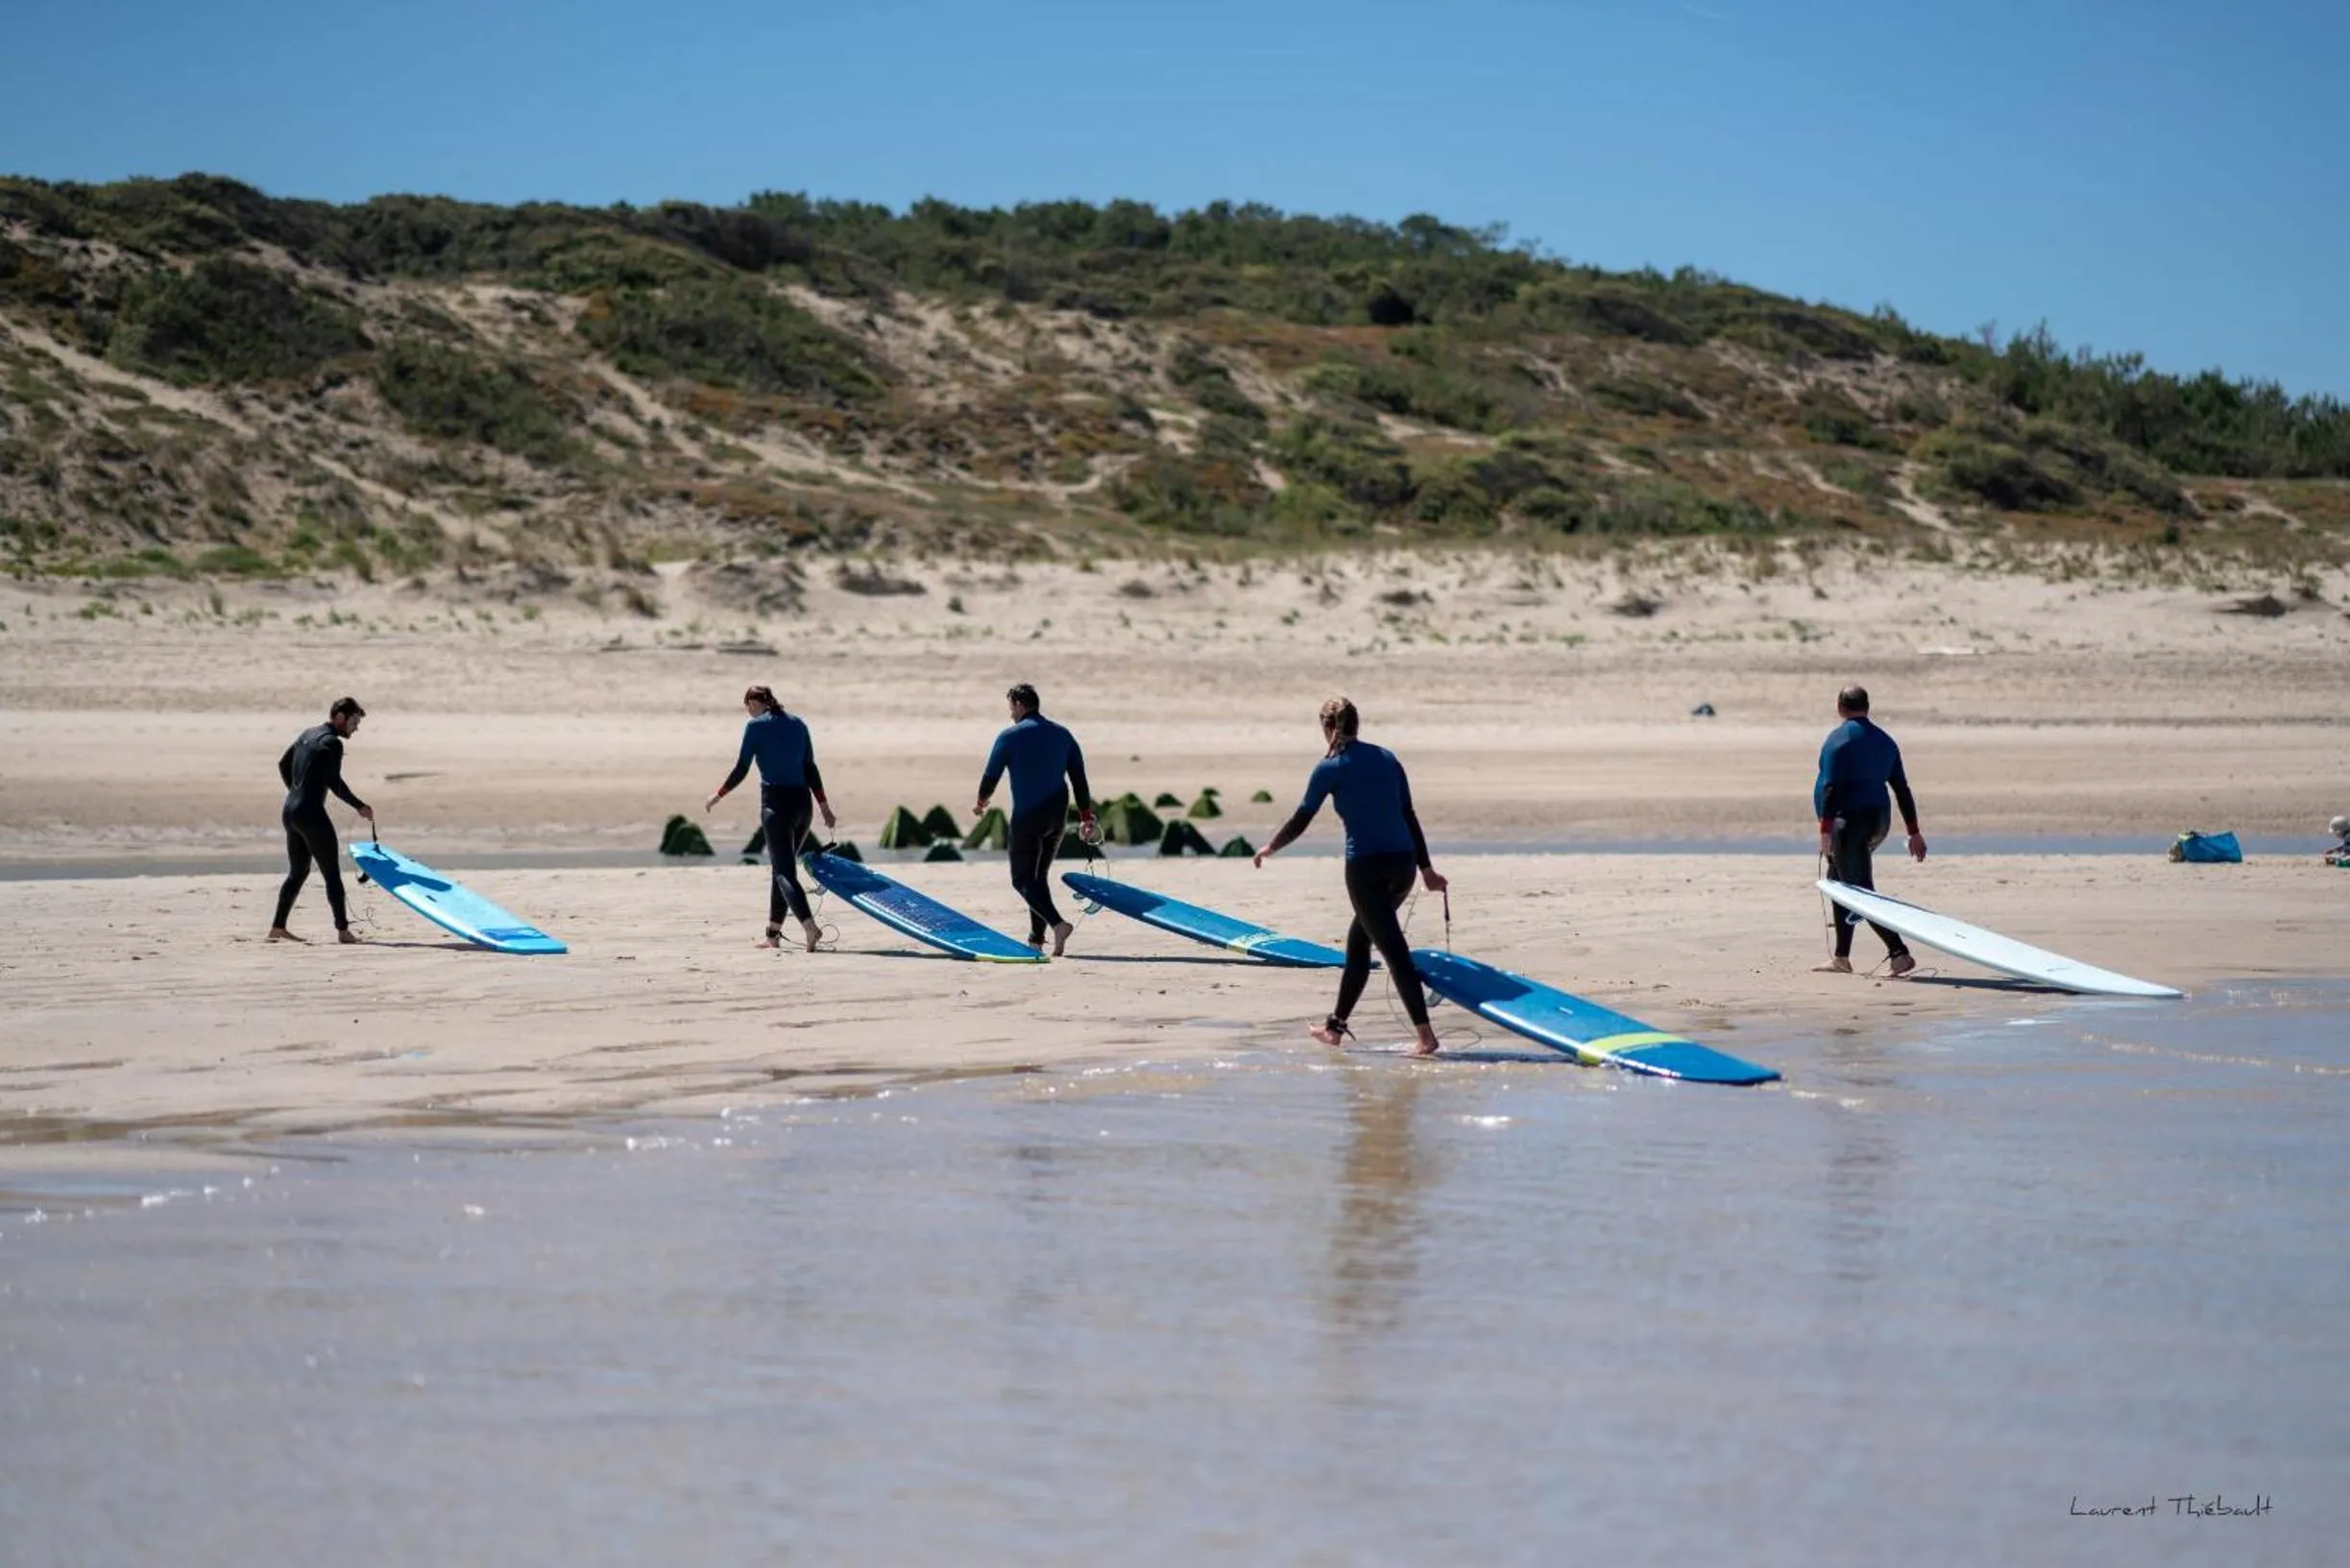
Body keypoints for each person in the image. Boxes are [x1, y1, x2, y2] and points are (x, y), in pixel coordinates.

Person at [1254, 697, 1448, 1056]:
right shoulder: (1387, 758)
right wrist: (1427, 870)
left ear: (1327, 728)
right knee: (1359, 942)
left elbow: (1302, 818)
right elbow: (1408, 815)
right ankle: (1334, 1028)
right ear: (1357, 724)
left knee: (1394, 951)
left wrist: (1271, 846)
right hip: (1403, 866)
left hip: (1366, 870)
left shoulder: (1329, 768)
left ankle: (1426, 1037)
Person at [706, 686, 838, 952]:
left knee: (784, 873)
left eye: (747, 706)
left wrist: (719, 794)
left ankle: (809, 927)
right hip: (803, 806)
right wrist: (824, 807)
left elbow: (741, 767)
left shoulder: (755, 727)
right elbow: (810, 768)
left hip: (776, 806)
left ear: (753, 703)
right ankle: (772, 935)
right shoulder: (798, 724)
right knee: (782, 868)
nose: (748, 711)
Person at [975, 684, 1098, 956]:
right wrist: (1086, 817)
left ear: (1019, 705)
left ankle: (1058, 925)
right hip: (1057, 815)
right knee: (1037, 878)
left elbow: (991, 776)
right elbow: (1079, 779)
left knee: (1021, 879)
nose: (1010, 713)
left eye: (1011, 707)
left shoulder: (1009, 737)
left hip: (1028, 816)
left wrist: (981, 801)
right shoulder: (1063, 734)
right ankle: (1036, 941)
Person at [1813, 685, 1926, 976]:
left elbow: (1830, 787)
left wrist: (1825, 831)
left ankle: (1899, 953)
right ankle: (1841, 958)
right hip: (1878, 822)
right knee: (1838, 880)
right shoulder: (1885, 741)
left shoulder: (1838, 740)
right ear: (1867, 707)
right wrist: (1913, 831)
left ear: (1840, 707)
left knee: (1860, 892)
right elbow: (1901, 788)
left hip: (1848, 825)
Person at [269, 697, 375, 944]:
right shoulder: (332, 743)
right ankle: (343, 931)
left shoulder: (308, 733)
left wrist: (296, 792)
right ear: (340, 717)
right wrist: (360, 806)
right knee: (331, 873)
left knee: (298, 872)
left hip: (290, 812)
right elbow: (335, 783)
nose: (355, 729)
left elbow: (283, 764)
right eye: (354, 722)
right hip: (311, 814)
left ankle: (278, 927)